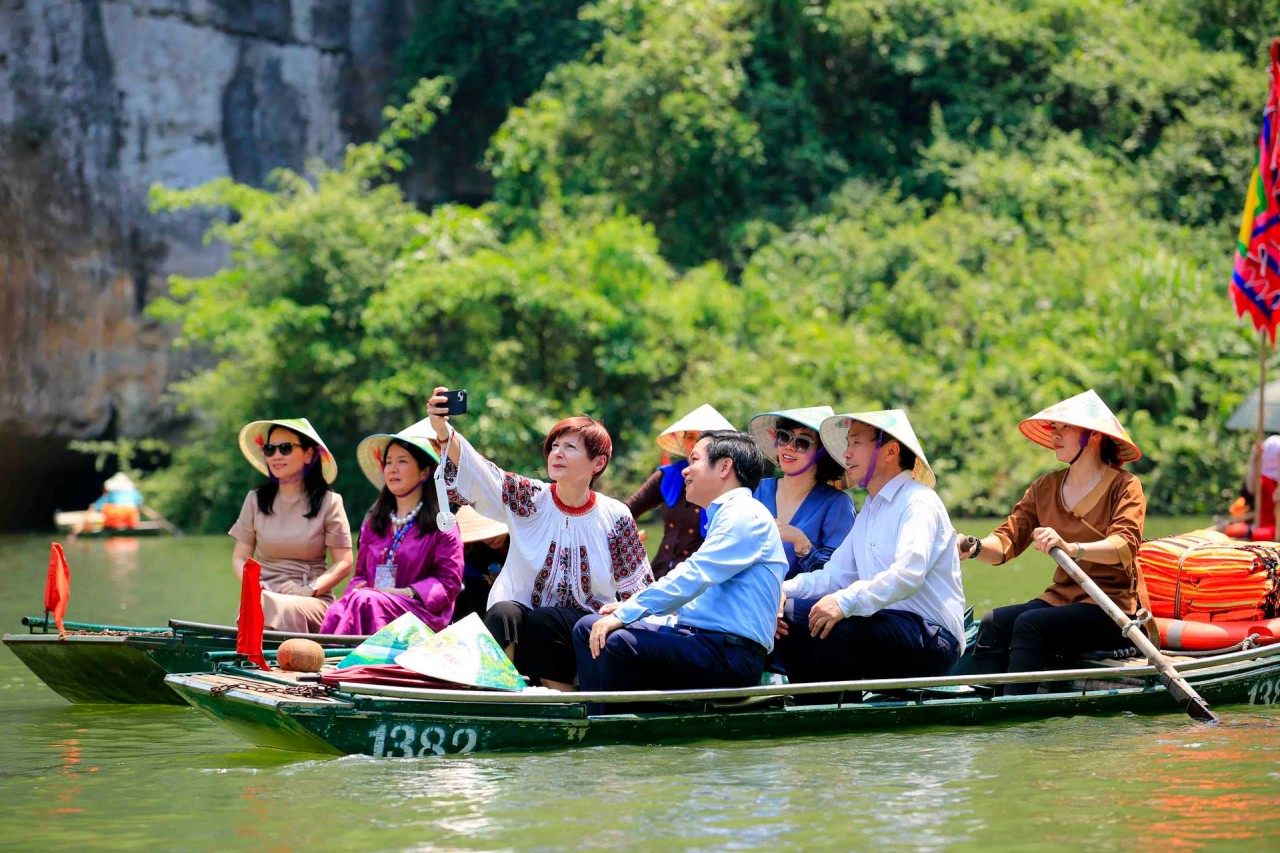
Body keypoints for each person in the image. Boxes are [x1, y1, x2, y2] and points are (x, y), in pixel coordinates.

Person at [427, 386, 652, 690]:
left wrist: (624, 619)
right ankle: (496, 697)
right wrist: (444, 432)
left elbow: (638, 587)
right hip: (525, 620)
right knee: (503, 611)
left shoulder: (616, 516)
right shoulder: (530, 498)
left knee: (544, 620)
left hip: (587, 628)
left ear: (597, 463)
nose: (557, 452)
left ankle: (561, 703)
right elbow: (483, 472)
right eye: (554, 445)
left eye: (570, 447)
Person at [956, 390, 1147, 694]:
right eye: (1054, 429)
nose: (1055, 436)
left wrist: (1073, 549)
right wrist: (974, 546)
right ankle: (981, 715)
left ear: (1094, 437)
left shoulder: (1125, 486)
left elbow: (1124, 546)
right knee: (993, 622)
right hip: (1061, 600)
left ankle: (1017, 716)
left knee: (1031, 625)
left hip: (1110, 608)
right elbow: (1005, 543)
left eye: (1064, 429)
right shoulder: (1045, 486)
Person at [574, 430, 787, 699]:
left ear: (724, 467)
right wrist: (633, 610)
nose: (685, 471)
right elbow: (695, 601)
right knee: (589, 626)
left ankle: (608, 727)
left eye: (694, 460)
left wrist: (629, 611)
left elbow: (694, 575)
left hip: (731, 656)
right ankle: (608, 719)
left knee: (614, 641)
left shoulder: (745, 514)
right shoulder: (728, 515)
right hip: (705, 642)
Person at [777, 409, 965, 686]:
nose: (846, 454)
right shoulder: (869, 510)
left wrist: (844, 601)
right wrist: (779, 590)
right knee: (784, 612)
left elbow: (907, 575)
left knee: (810, 618)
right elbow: (834, 576)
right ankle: (822, 705)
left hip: (932, 638)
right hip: (885, 627)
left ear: (889, 452)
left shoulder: (919, 502)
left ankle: (827, 708)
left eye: (855, 443)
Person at [320, 420, 464, 635]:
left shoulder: (442, 524)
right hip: (371, 603)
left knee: (365, 600)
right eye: (388, 462)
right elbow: (360, 575)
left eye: (402, 461)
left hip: (419, 613)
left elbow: (448, 582)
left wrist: (406, 592)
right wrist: (354, 593)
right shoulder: (375, 522)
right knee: (340, 608)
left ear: (424, 472)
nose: (392, 469)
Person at [229, 418, 353, 633]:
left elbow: (344, 563)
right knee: (258, 603)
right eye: (269, 449)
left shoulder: (329, 502)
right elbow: (239, 558)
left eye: (285, 448)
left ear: (308, 455)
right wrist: (253, 585)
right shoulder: (255, 499)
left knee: (268, 607)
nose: (276, 455)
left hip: (311, 598)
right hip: (264, 594)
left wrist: (309, 589)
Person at [623, 404, 735, 579]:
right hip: (657, 574)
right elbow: (624, 512)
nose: (695, 444)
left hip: (697, 582)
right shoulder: (668, 475)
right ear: (683, 441)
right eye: (690, 437)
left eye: (703, 438)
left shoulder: (728, 485)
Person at [747, 406, 855, 578]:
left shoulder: (837, 504)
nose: (789, 447)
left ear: (822, 453)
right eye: (784, 437)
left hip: (794, 603)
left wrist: (801, 541)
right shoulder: (754, 490)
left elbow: (837, 576)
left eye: (802, 442)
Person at [452, 506, 512, 623]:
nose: (491, 538)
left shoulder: (525, 548)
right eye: (484, 533)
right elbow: (476, 601)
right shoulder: (472, 558)